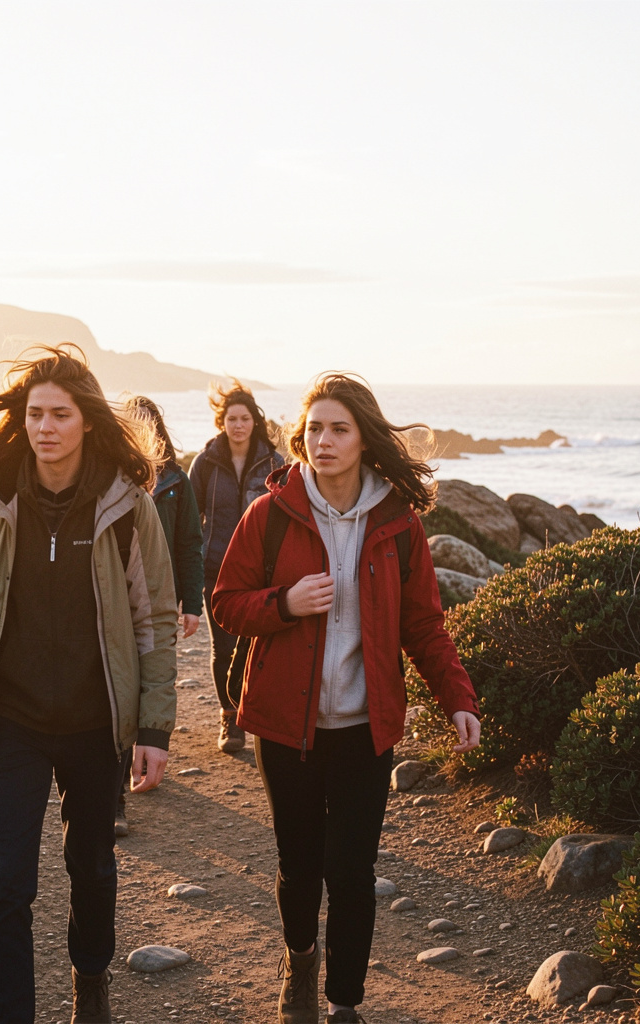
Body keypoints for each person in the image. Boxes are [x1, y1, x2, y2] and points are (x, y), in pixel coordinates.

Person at [212, 374, 482, 1024]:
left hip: (365, 728)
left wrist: (458, 698)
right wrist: (284, 603)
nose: (324, 441)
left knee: (353, 873)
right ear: (300, 439)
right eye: (314, 430)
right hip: (284, 728)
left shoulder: (397, 523)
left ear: (364, 438)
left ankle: (344, 1005)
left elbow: (423, 625)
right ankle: (300, 958)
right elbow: (226, 602)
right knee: (300, 868)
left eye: (339, 429)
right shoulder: (270, 515)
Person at [0, 347, 178, 1023]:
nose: (45, 426)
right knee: (5, 886)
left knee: (93, 870)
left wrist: (153, 729)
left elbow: (155, 616)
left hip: (93, 720)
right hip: (11, 721)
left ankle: (92, 972)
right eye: (34, 414)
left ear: (86, 422)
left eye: (59, 414)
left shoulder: (125, 506)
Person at [113, 395, 203, 836]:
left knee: (149, 682)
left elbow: (189, 544)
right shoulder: (107, 483)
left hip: (159, 603)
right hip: (114, 600)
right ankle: (113, 798)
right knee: (114, 687)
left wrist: (192, 603)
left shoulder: (177, 483)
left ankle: (147, 746)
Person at [188, 380, 284, 753]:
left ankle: (255, 712)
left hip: (262, 572)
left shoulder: (275, 463)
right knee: (223, 648)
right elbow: (190, 520)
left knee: (258, 646)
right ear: (222, 422)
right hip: (216, 568)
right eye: (232, 418)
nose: (238, 425)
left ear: (254, 421)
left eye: (244, 418)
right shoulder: (205, 462)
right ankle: (230, 718)